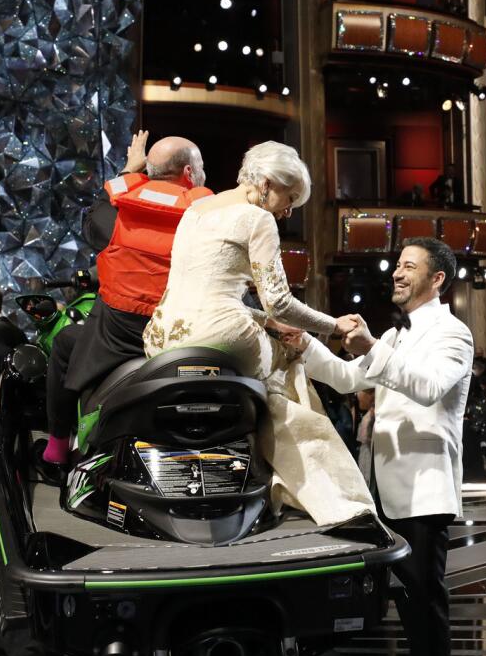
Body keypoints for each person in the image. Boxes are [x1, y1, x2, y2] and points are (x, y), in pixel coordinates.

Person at [298, 236, 474, 656]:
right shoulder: (397, 335)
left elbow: (426, 388)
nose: (396, 273)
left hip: (423, 494)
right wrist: (304, 344)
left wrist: (371, 343)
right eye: (396, 265)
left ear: (438, 278)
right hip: (382, 493)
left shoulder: (454, 334)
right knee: (397, 611)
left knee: (425, 614)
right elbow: (351, 380)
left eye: (408, 266)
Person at [147, 141, 369, 525]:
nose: (288, 211)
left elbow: (208, 293)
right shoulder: (257, 219)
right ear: (266, 183)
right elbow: (279, 303)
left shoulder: (195, 208)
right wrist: (333, 326)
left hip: (161, 334)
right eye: (290, 197)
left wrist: (268, 322)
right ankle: (317, 491)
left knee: (277, 335)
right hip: (220, 334)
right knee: (292, 358)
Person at [44, 131, 213, 464]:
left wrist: (128, 169)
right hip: (181, 337)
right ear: (190, 174)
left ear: (150, 171)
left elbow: (93, 220)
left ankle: (57, 447)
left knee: (64, 342)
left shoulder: (118, 213)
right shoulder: (208, 219)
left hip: (116, 340)